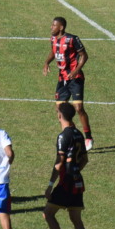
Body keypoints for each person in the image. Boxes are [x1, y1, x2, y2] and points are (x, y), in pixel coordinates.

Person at [43, 103, 90, 229]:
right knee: (76, 218)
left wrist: (50, 184)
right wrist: (76, 170)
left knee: (48, 214)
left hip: (66, 183)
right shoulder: (78, 134)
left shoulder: (63, 136)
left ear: (60, 115)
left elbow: (60, 162)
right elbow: (85, 159)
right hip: (77, 181)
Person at [42, 16, 93, 150]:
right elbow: (54, 51)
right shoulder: (53, 39)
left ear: (61, 27)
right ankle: (73, 136)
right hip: (62, 78)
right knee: (60, 111)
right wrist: (47, 62)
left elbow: (84, 55)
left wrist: (76, 70)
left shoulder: (72, 39)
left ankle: (88, 137)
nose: (51, 27)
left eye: (54, 25)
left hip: (75, 78)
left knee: (79, 108)